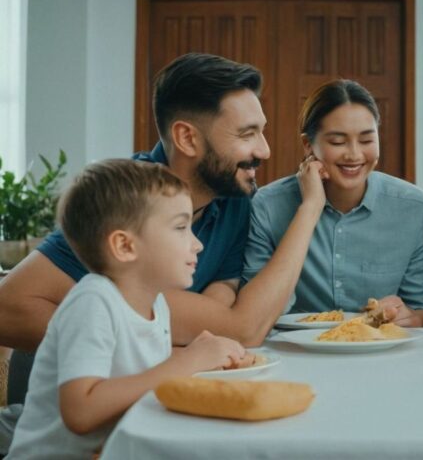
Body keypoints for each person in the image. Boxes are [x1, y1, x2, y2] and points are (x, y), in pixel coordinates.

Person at [0, 53, 326, 451]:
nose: (266, 151)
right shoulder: (122, 203)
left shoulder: (236, 198)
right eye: (247, 134)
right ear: (187, 138)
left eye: (262, 131)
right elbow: (8, 309)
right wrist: (151, 350)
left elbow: (225, 313)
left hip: (139, 406)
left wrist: (180, 339)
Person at [7, 160, 249, 459]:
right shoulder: (93, 302)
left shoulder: (156, 303)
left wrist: (203, 359)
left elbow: (140, 378)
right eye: (180, 227)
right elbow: (81, 412)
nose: (197, 244)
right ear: (124, 246)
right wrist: (186, 362)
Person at [242, 79, 423, 326]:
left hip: (378, 351)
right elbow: (259, 313)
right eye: (337, 142)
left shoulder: (415, 209)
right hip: (294, 351)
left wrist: (412, 318)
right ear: (308, 145)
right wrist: (310, 207)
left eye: (366, 141)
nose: (354, 154)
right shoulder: (267, 206)